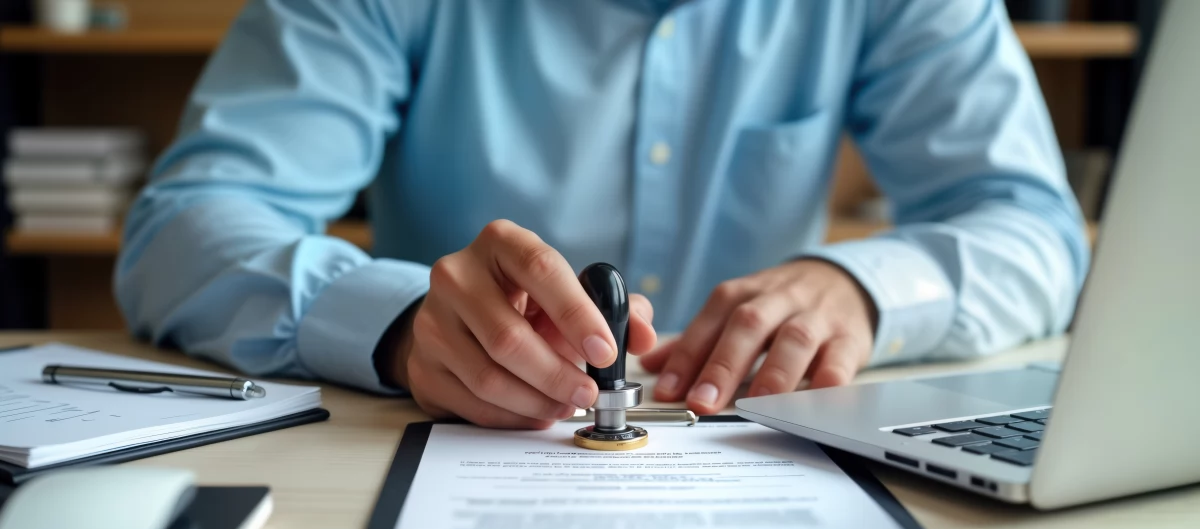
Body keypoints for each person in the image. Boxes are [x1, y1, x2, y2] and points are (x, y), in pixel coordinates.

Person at [116, 0, 1088, 428]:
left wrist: (864, 290)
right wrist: (397, 323)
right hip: (437, 455)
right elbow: (185, 225)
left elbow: (1038, 230)